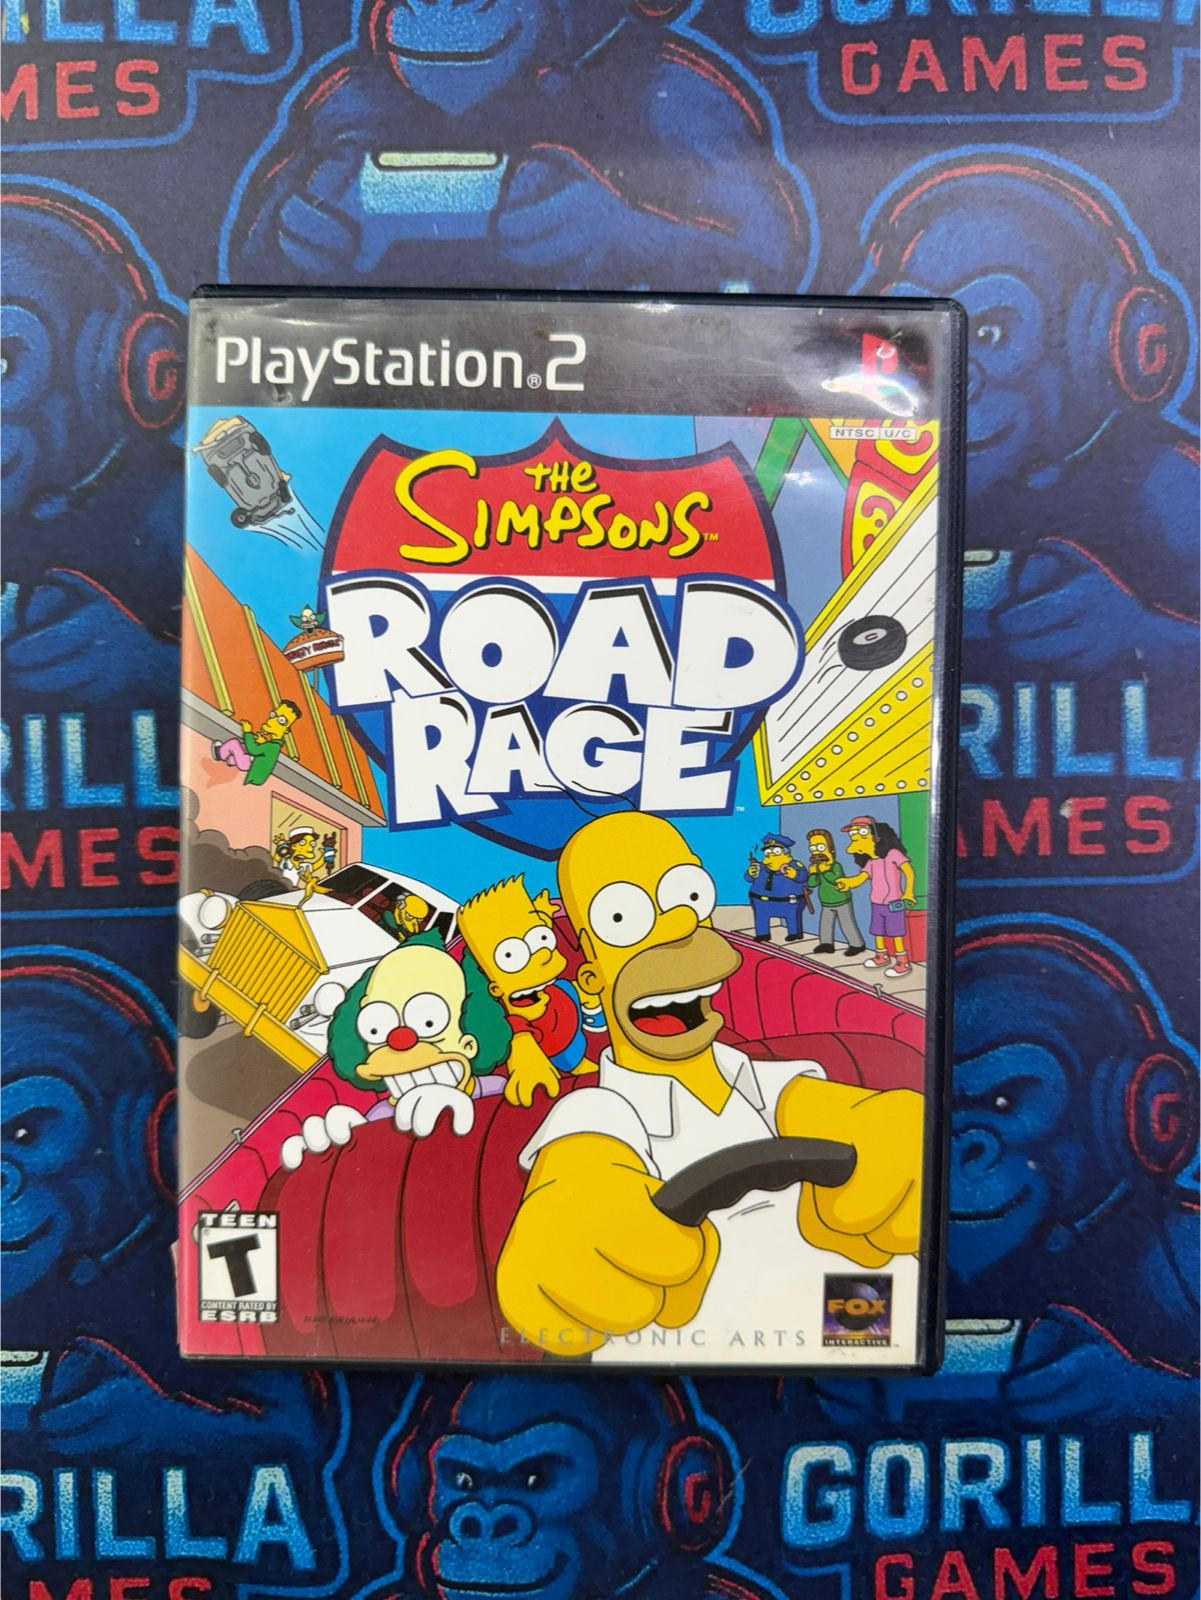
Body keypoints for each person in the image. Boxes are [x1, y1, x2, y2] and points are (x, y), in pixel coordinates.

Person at [835, 817, 915, 978]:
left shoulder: (893, 854)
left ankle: (902, 961)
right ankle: (881, 956)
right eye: (853, 834)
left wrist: (908, 892)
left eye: (861, 832)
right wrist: (847, 883)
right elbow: (861, 878)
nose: (855, 837)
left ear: (876, 836)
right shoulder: (871, 863)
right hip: (876, 903)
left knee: (896, 933)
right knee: (877, 931)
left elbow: (908, 871)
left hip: (893, 902)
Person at [806, 829, 865, 956]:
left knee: (846, 923)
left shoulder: (835, 866)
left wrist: (825, 871)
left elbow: (836, 880)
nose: (816, 851)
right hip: (826, 901)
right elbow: (812, 883)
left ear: (830, 848)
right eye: (812, 848)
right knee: (825, 923)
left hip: (841, 899)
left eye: (820, 847)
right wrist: (813, 873)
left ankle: (857, 944)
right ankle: (826, 943)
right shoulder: (817, 866)